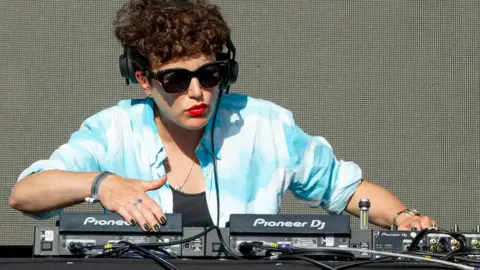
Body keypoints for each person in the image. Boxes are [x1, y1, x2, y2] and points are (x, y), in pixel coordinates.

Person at [9, 0, 436, 233]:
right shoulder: (112, 130)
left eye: (209, 74)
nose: (196, 92)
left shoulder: (264, 125)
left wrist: (403, 219)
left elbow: (347, 189)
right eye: (175, 80)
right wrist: (101, 184)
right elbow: (25, 194)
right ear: (143, 80)